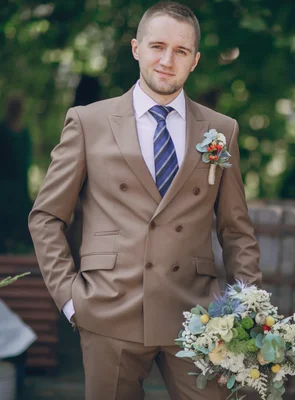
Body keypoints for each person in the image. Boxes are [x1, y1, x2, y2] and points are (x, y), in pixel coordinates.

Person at [27, 2, 261, 399]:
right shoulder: (88, 122)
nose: (167, 60)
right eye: (157, 46)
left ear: (195, 61)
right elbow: (47, 217)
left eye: (181, 51)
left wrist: (249, 311)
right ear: (137, 48)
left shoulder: (222, 130)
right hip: (108, 310)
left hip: (198, 317)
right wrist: (71, 300)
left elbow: (236, 230)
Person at [0, 94, 32, 253]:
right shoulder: (2, 130)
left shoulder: (24, 133)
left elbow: (26, 161)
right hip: (3, 184)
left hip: (19, 185)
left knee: (18, 217)